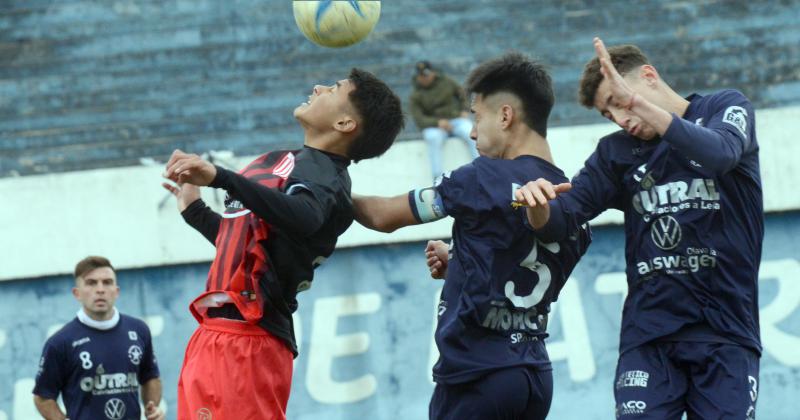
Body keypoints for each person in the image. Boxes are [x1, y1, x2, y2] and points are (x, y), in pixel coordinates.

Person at [515, 38, 763, 419]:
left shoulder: (724, 107)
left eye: (617, 102)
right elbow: (562, 220)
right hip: (649, 340)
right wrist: (536, 206)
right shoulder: (616, 153)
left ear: (648, 77)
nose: (620, 118)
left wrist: (641, 107)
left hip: (725, 334)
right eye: (608, 114)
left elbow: (720, 155)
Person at [354, 53, 590, 420]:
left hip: (477, 375)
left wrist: (323, 190)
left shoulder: (480, 177)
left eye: (477, 117)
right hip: (534, 376)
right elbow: (521, 260)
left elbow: (382, 216)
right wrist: (463, 259)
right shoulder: (570, 199)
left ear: (506, 115)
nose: (474, 131)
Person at [162, 68, 404, 420]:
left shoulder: (325, 176)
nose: (318, 87)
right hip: (215, 334)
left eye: (334, 88)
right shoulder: (285, 162)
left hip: (247, 340)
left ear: (344, 124)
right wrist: (195, 210)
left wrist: (220, 177)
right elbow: (243, 241)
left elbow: (304, 217)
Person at [32, 256, 163, 420]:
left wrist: (153, 408)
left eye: (107, 282)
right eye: (91, 283)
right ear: (77, 293)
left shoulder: (139, 330)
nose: (100, 289)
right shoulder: (60, 342)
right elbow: (43, 397)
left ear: (116, 291)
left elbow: (151, 377)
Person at [410, 60, 479, 179]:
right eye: (421, 76)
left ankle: (481, 168)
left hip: (455, 119)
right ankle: (438, 180)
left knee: (470, 131)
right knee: (432, 138)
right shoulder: (415, 94)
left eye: (426, 75)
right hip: (435, 126)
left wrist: (465, 109)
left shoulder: (446, 81)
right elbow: (419, 119)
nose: (424, 78)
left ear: (433, 73)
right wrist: (437, 123)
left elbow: (463, 94)